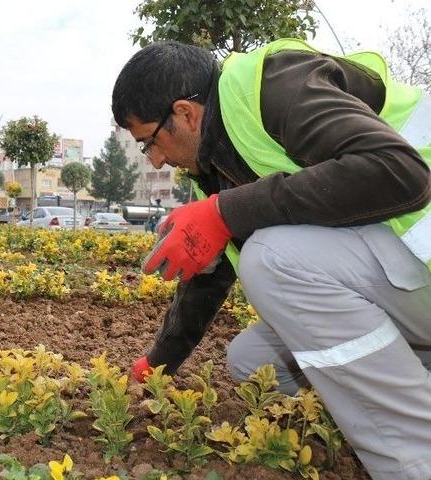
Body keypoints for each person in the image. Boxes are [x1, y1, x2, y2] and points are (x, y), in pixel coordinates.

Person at [112, 38, 430, 480]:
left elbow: (400, 171)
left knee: (272, 260)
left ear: (184, 113)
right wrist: (159, 362)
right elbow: (209, 276)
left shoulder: (277, 86)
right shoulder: (217, 163)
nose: (157, 161)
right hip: (407, 281)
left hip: (420, 259)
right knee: (252, 362)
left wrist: (225, 212)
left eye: (150, 142)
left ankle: (415, 460)